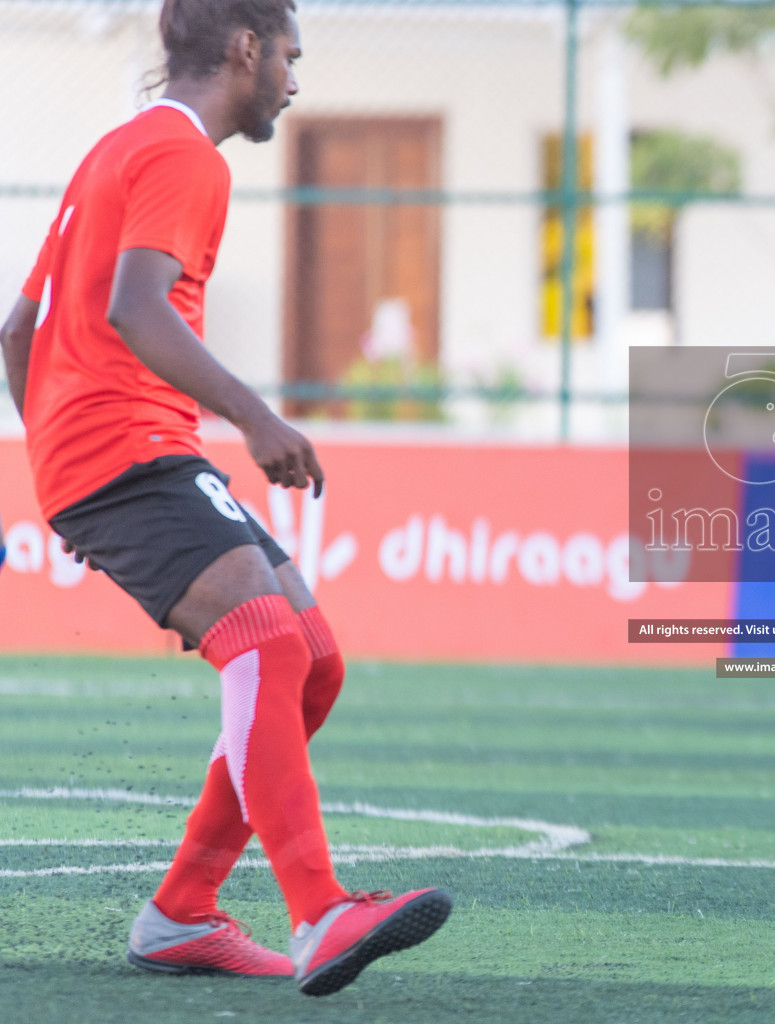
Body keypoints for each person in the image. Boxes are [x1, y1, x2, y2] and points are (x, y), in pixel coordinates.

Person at [0, 0, 449, 996]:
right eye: (290, 54)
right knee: (269, 643)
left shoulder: (118, 147)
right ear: (245, 49)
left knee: (313, 662)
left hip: (119, 454)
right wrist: (254, 417)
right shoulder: (186, 157)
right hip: (131, 452)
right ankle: (322, 913)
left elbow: (18, 330)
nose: (294, 77)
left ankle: (182, 914)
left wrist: (57, 470)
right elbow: (134, 305)